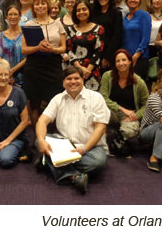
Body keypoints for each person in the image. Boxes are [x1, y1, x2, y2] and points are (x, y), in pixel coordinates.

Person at [35, 66, 110, 194]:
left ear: (83, 80)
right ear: (63, 82)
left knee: (99, 162)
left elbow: (100, 128)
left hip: (90, 149)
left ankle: (50, 162)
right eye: (69, 79)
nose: (73, 81)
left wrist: (84, 149)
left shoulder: (96, 98)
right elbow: (42, 121)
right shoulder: (58, 99)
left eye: (77, 78)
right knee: (39, 141)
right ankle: (74, 176)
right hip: (65, 145)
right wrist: (42, 140)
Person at [22, 0, 66, 127]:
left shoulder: (58, 24)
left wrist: (52, 49)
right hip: (34, 65)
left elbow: (63, 48)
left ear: (48, 5)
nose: (40, 6)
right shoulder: (29, 24)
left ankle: (52, 134)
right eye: (37, 4)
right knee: (34, 101)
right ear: (33, 7)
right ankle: (37, 135)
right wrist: (38, 47)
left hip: (53, 65)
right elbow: (24, 50)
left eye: (43, 3)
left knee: (53, 100)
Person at [99, 49, 149, 140]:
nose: (121, 63)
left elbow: (146, 104)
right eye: (117, 61)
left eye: (124, 60)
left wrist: (136, 116)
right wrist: (121, 109)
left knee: (129, 133)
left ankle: (116, 134)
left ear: (130, 62)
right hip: (111, 112)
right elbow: (103, 97)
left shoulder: (139, 82)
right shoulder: (107, 76)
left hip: (129, 115)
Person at [66, 0, 104, 90]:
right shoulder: (69, 29)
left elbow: (99, 50)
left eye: (84, 9)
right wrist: (79, 68)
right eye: (78, 10)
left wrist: (88, 70)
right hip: (74, 71)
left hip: (92, 71)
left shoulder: (99, 28)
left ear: (89, 11)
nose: (81, 12)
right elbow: (69, 50)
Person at [122, 0, 152, 81]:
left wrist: (136, 55)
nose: (133, 0)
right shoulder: (125, 17)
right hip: (125, 59)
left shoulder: (145, 15)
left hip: (139, 59)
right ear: (126, 0)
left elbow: (145, 38)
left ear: (139, 1)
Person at [92, 0, 123, 71]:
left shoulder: (116, 13)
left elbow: (116, 36)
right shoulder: (93, 12)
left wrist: (107, 57)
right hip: (93, 52)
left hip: (108, 54)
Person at [0, 4, 26, 86]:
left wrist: (12, 70)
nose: (13, 17)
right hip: (5, 76)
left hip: (23, 75)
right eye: (10, 14)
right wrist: (4, 72)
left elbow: (28, 57)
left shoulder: (25, 34)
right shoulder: (1, 35)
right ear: (6, 17)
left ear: (20, 16)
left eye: (15, 14)